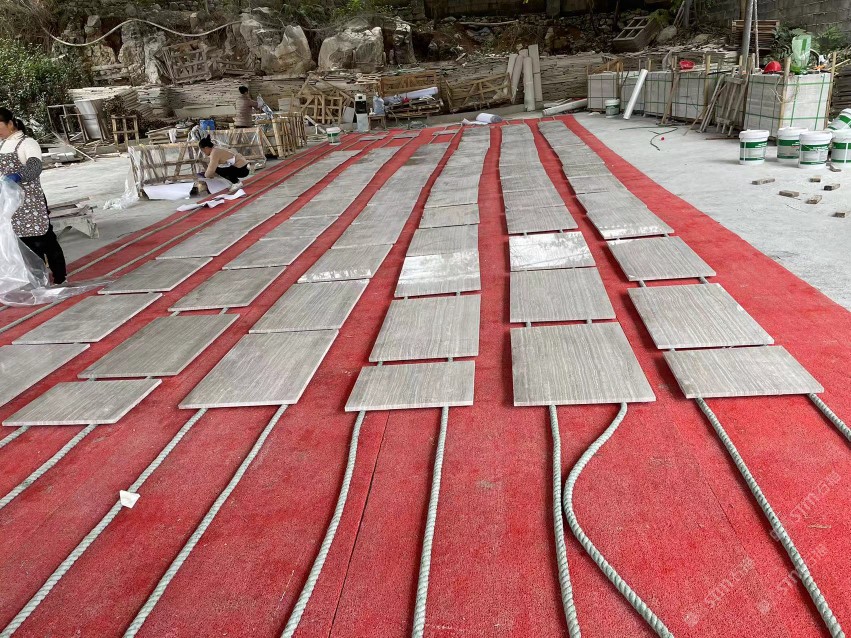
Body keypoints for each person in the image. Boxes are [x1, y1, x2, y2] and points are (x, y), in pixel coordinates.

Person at [0, 108, 66, 284]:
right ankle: (37, 279)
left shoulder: (28, 143)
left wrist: (18, 176)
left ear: (10, 124)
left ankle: (59, 277)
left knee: (43, 239)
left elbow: (34, 166)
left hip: (32, 201)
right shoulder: (2, 145)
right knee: (24, 243)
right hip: (12, 203)